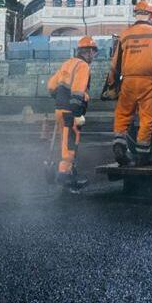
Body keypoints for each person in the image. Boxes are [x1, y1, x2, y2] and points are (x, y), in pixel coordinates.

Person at [105, 0, 152, 166]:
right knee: (146, 117)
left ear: (136, 14)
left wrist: (112, 85)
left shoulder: (125, 34)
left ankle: (119, 146)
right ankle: (143, 155)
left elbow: (115, 63)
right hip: (147, 81)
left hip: (127, 81)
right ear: (150, 15)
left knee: (123, 114)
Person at [46, 36, 98, 192]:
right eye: (93, 53)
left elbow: (51, 86)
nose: (93, 57)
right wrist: (77, 113)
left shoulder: (67, 63)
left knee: (65, 141)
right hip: (71, 111)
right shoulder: (82, 66)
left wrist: (60, 99)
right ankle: (64, 175)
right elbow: (77, 90)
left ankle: (69, 172)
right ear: (88, 52)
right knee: (70, 144)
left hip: (60, 109)